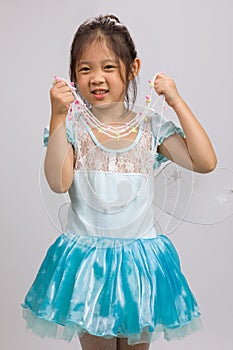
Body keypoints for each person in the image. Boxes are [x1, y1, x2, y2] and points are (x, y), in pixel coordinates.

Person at [21, 14, 217, 350]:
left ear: (132, 68)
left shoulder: (150, 126)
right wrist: (56, 117)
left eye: (109, 67)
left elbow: (205, 162)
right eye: (85, 69)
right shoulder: (73, 128)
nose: (97, 78)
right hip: (88, 264)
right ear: (72, 77)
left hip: (139, 264)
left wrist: (176, 101)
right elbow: (58, 181)